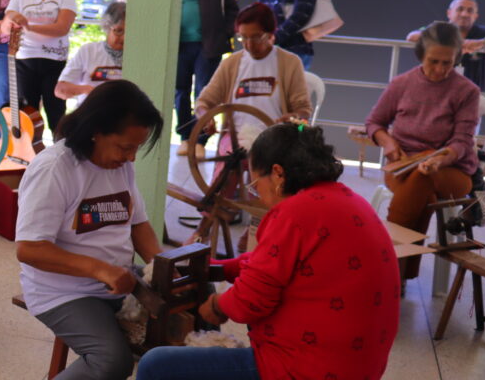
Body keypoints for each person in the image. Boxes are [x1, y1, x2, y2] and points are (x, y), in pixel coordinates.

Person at [137, 123, 400, 380]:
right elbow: (271, 262)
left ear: (277, 174)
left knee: (156, 364)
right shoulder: (348, 200)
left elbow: (250, 302)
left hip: (308, 369)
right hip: (358, 367)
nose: (257, 195)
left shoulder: (294, 212)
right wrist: (220, 268)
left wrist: (217, 305)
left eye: (254, 184)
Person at [15, 80, 165, 380]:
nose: (132, 158)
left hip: (117, 279)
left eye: (136, 148)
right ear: (96, 131)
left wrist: (162, 269)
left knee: (194, 303)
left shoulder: (120, 165)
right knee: (111, 362)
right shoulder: (55, 169)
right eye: (126, 147)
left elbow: (139, 225)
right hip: (63, 292)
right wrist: (101, 270)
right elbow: (29, 249)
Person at [366, 21, 479, 281]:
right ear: (420, 55)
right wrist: (389, 143)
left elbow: (462, 142)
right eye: (433, 61)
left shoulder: (467, 91)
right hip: (402, 165)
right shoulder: (402, 83)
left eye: (447, 63)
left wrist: (440, 160)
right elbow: (374, 123)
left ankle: (387, 270)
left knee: (423, 176)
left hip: (451, 170)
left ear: (457, 58)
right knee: (422, 185)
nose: (439, 69)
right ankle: (398, 273)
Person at [194, 3, 313, 164]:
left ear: (270, 34)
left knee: (262, 165)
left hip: (275, 139)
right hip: (235, 138)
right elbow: (203, 103)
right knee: (231, 164)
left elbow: (303, 111)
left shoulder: (290, 63)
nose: (249, 45)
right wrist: (205, 118)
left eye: (256, 37)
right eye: (243, 37)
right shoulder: (231, 64)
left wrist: (294, 118)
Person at [2, 0, 77, 138]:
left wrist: (29, 26)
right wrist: (14, 17)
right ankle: (30, 154)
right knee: (27, 115)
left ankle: (60, 152)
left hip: (54, 61)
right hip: (25, 60)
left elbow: (62, 28)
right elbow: (7, 20)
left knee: (56, 113)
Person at [175, 0, 238, 159]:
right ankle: (185, 138)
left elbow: (233, 10)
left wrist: (225, 33)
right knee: (180, 92)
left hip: (208, 47)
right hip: (179, 47)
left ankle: (200, 141)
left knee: (205, 93)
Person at [405, 0, 485, 91]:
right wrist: (447, 40)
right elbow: (412, 36)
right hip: (436, 91)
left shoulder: (482, 33)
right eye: (460, 9)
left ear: (475, 16)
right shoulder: (439, 28)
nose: (465, 14)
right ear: (449, 13)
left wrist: (483, 43)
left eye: (470, 11)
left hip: (471, 95)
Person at [56, 2, 126, 107]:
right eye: (119, 31)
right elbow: (60, 90)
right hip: (90, 111)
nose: (124, 37)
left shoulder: (137, 55)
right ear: (107, 27)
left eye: (128, 32)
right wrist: (87, 90)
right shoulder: (89, 51)